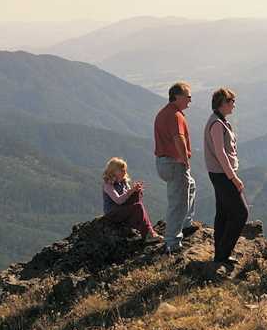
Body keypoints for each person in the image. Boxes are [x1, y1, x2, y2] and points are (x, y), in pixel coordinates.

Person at [204, 88, 248, 264]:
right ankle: (223, 252)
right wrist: (233, 178)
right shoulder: (217, 124)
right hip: (223, 175)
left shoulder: (218, 121)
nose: (234, 105)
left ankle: (220, 254)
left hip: (220, 174)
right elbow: (220, 153)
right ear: (223, 103)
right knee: (240, 213)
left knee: (222, 213)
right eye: (231, 101)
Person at [154, 82, 197, 253]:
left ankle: (186, 224)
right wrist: (185, 159)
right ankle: (172, 242)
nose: (190, 100)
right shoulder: (175, 115)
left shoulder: (165, 112)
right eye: (188, 96)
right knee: (178, 202)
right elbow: (178, 137)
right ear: (177, 96)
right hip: (174, 163)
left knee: (191, 186)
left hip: (164, 162)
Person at [101, 157, 157, 239]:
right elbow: (118, 200)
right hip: (113, 213)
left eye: (124, 170)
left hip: (121, 209)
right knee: (138, 207)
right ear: (113, 171)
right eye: (121, 170)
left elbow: (129, 197)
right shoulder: (108, 184)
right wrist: (131, 191)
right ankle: (148, 234)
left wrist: (135, 190)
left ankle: (147, 230)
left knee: (137, 197)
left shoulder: (123, 181)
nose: (124, 172)